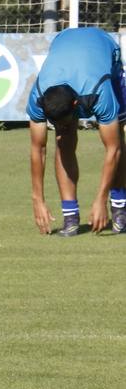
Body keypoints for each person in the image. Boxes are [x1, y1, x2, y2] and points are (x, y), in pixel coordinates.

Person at [26, 26, 126, 237]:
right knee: (64, 139)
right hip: (65, 41)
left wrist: (101, 198)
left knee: (117, 136)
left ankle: (119, 206)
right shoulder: (39, 95)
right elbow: (38, 149)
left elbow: (113, 149)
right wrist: (38, 200)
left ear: (75, 105)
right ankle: (70, 216)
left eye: (63, 121)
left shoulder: (99, 89)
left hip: (104, 49)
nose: (59, 128)